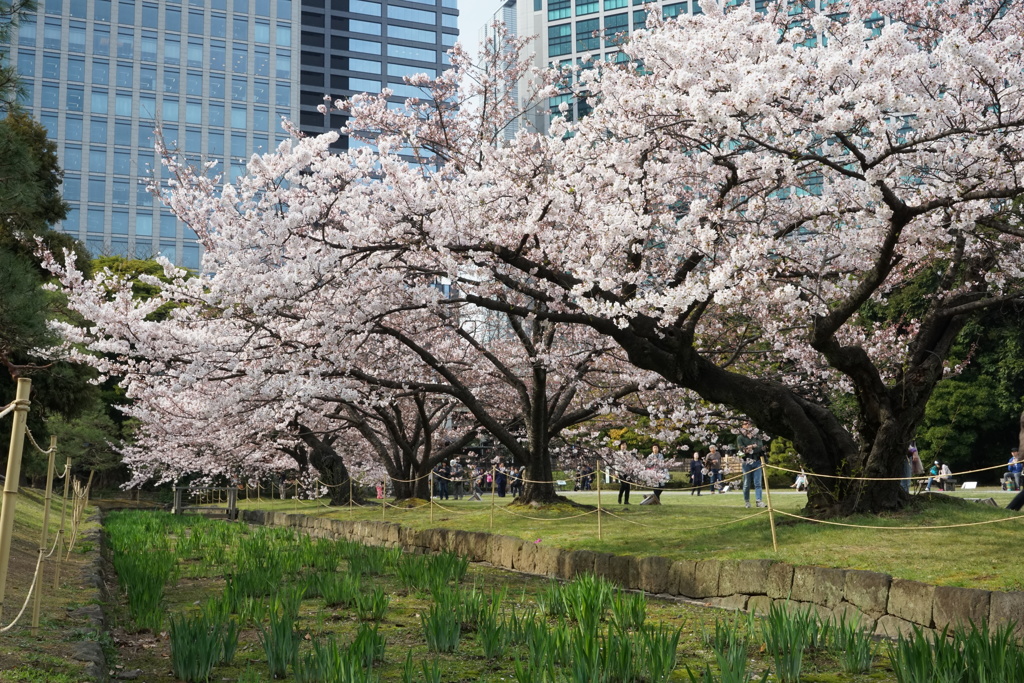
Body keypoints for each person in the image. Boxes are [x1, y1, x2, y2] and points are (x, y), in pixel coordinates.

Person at [736, 421, 765, 508]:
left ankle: (759, 500)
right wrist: (752, 446)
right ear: (742, 426)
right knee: (746, 483)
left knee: (758, 482)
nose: (748, 425)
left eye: (749, 424)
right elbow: (742, 449)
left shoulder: (756, 436)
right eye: (745, 424)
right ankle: (747, 501)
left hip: (756, 461)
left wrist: (750, 447)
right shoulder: (740, 437)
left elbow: (760, 447)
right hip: (746, 462)